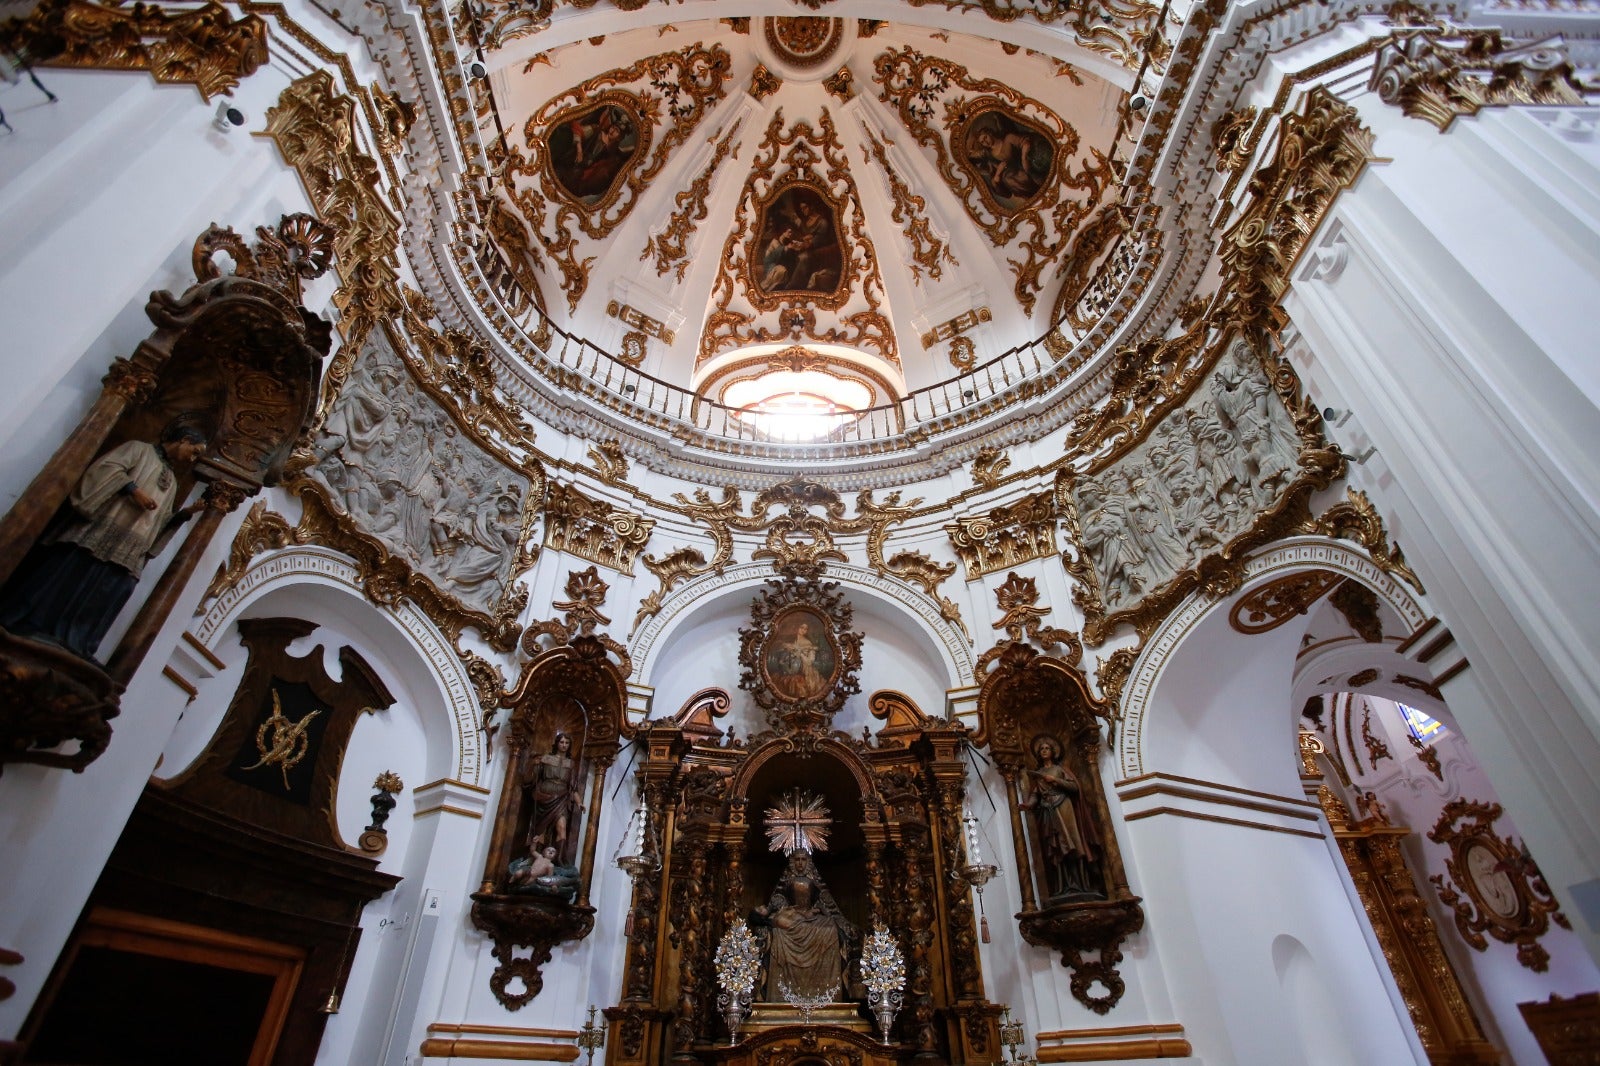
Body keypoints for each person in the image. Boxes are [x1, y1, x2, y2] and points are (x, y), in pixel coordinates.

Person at [0, 426, 207, 661]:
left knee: (111, 589)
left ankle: (75, 642)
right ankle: (35, 625)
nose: (193, 459)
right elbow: (105, 469)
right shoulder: (139, 450)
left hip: (127, 550)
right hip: (99, 532)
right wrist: (133, 490)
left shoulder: (172, 481)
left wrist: (186, 513)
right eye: (195, 451)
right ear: (184, 440)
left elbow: (159, 521)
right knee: (71, 575)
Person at [1020, 734, 1103, 900]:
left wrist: (1056, 781)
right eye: (1041, 749)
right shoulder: (1039, 773)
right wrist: (1028, 805)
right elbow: (1036, 793)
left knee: (1073, 844)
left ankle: (1081, 885)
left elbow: (1074, 787)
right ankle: (1062, 887)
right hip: (1047, 811)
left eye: (1047, 748)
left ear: (1053, 751)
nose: (1044, 751)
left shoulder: (1060, 770)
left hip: (1064, 808)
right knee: (1056, 849)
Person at [753, 875, 852, 1002]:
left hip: (811, 922)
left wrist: (816, 914)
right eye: (799, 895)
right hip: (793, 925)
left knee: (832, 930)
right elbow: (784, 921)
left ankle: (828, 994)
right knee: (778, 935)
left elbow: (827, 919)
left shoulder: (815, 914)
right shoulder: (781, 914)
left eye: (805, 895)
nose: (802, 899)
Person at [521, 732, 584, 867]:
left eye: (567, 743)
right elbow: (532, 779)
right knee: (541, 830)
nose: (564, 745)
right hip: (544, 797)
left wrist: (579, 803)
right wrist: (533, 764)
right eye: (561, 742)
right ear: (556, 743)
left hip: (561, 798)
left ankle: (559, 861)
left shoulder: (571, 764)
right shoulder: (545, 759)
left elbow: (573, 788)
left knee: (562, 827)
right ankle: (535, 858)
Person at [769, 621, 824, 700]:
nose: (803, 630)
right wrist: (788, 648)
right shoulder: (791, 639)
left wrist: (800, 653)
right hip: (789, 666)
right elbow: (781, 648)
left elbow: (810, 661)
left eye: (806, 629)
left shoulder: (808, 643)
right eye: (801, 627)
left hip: (804, 668)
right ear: (797, 628)